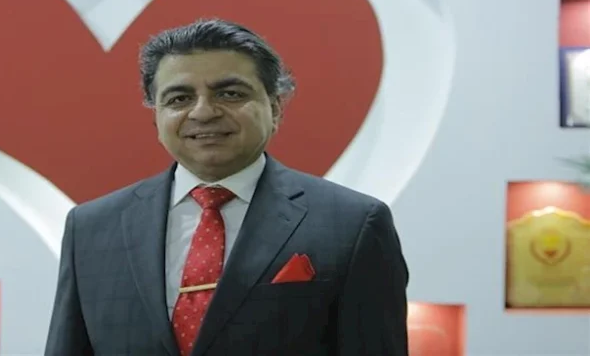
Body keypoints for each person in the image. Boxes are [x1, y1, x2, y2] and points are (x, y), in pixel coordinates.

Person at [44, 18, 409, 355]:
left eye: (230, 94)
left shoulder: (353, 225)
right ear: (156, 116)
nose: (204, 112)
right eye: (179, 99)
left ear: (275, 107)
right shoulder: (91, 228)